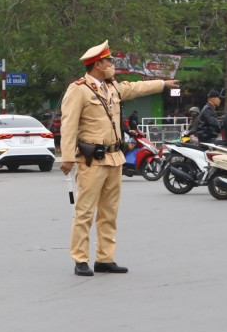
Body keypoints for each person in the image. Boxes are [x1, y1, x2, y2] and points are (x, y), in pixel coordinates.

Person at [60, 41, 178, 277]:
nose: (112, 65)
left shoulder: (112, 88)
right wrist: (67, 157)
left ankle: (105, 258)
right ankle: (80, 259)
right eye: (109, 61)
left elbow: (135, 88)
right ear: (97, 65)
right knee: (85, 212)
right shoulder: (79, 89)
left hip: (115, 158)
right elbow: (69, 124)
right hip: (92, 159)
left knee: (109, 213)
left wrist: (163, 84)